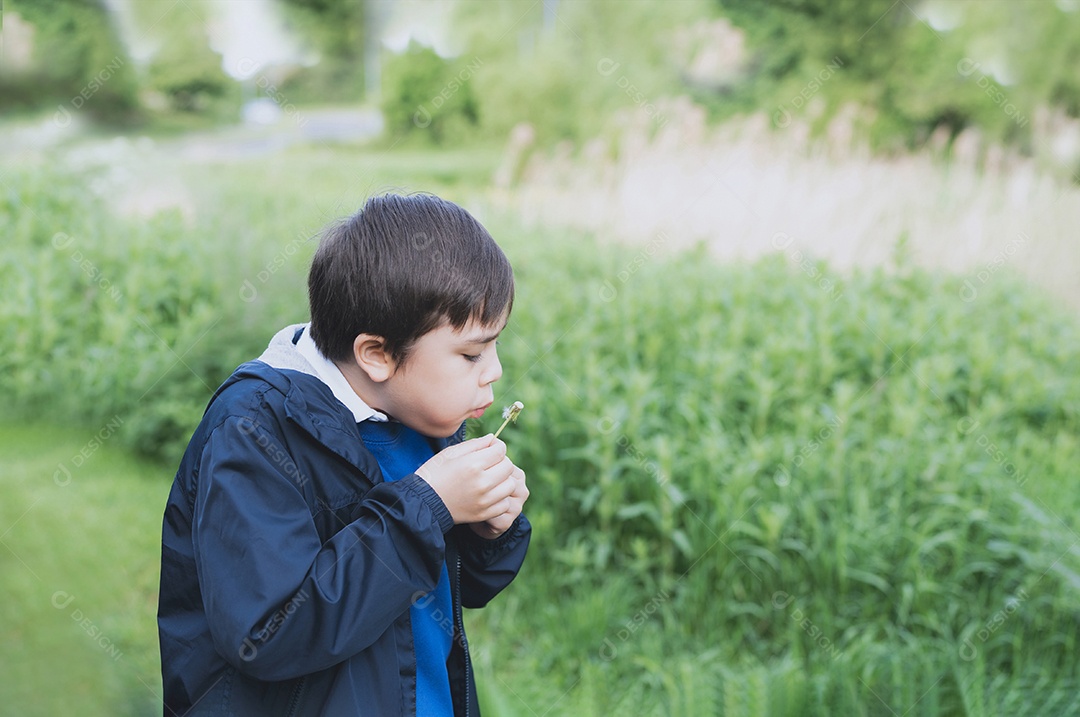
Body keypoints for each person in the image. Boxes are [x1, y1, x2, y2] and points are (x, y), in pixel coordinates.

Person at [157, 193, 531, 716]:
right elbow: (267, 632)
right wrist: (426, 507)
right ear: (376, 354)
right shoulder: (255, 431)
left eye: (494, 346)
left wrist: (492, 529)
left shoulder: (421, 417)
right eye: (470, 354)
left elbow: (450, 587)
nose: (492, 370)